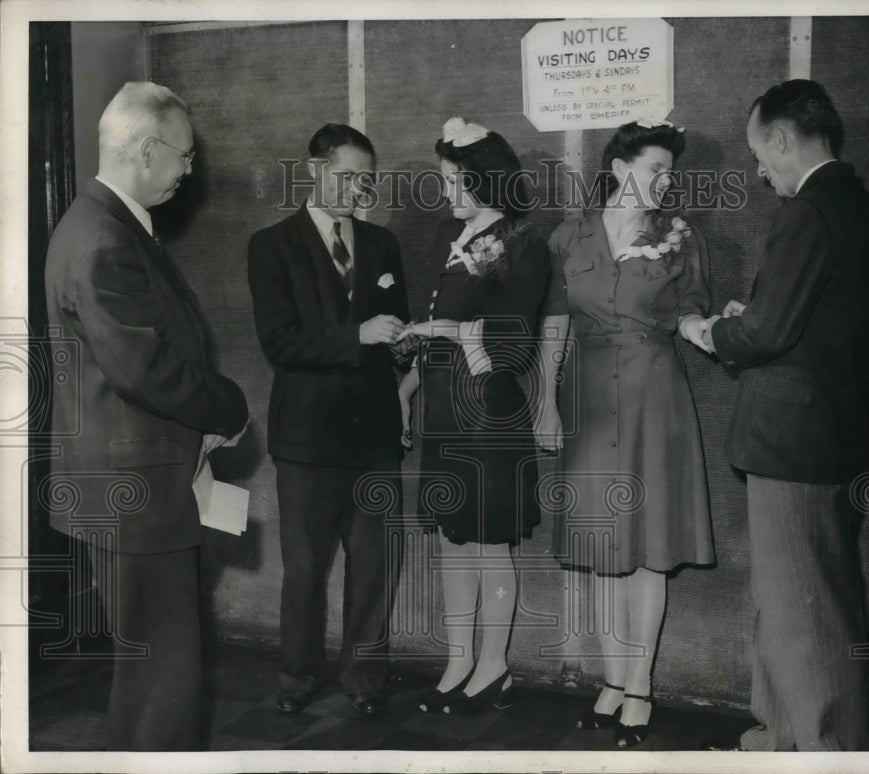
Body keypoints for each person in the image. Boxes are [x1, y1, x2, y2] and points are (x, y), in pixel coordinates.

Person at [702, 79, 869, 751]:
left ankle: (828, 754)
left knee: (803, 615)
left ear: (782, 138)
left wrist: (711, 331)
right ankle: (777, 740)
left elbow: (764, 333)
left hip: (791, 443)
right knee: (798, 600)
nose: (759, 171)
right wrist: (770, 322)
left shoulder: (807, 213)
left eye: (758, 153)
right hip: (839, 433)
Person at [44, 81, 249, 750]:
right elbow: (145, 370)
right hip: (137, 496)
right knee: (165, 684)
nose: (190, 169)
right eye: (185, 155)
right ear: (147, 149)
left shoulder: (105, 225)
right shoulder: (105, 239)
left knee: (151, 682)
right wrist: (229, 405)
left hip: (136, 486)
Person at [534, 119, 716, 748]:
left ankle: (638, 687)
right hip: (586, 401)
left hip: (653, 400)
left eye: (670, 171)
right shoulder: (568, 235)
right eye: (654, 168)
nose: (665, 181)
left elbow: (691, 309)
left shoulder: (681, 237)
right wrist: (545, 403)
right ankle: (613, 681)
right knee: (602, 545)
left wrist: (701, 330)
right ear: (618, 169)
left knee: (648, 546)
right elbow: (554, 323)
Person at [247, 124, 410, 717]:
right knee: (304, 570)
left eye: (366, 179)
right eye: (345, 176)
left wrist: (405, 345)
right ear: (314, 170)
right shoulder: (271, 246)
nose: (356, 189)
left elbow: (393, 326)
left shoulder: (383, 244)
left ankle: (365, 678)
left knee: (373, 566)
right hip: (307, 439)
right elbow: (279, 341)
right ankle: (298, 676)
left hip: (375, 436)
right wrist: (357, 336)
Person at [396, 117, 550, 715]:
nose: (447, 193)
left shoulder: (522, 243)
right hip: (442, 408)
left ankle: (494, 666)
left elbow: (518, 344)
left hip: (487, 409)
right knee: (451, 539)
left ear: (488, 180)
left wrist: (454, 332)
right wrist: (408, 384)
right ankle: (458, 660)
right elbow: (436, 321)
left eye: (456, 181)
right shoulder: (447, 236)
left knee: (488, 542)